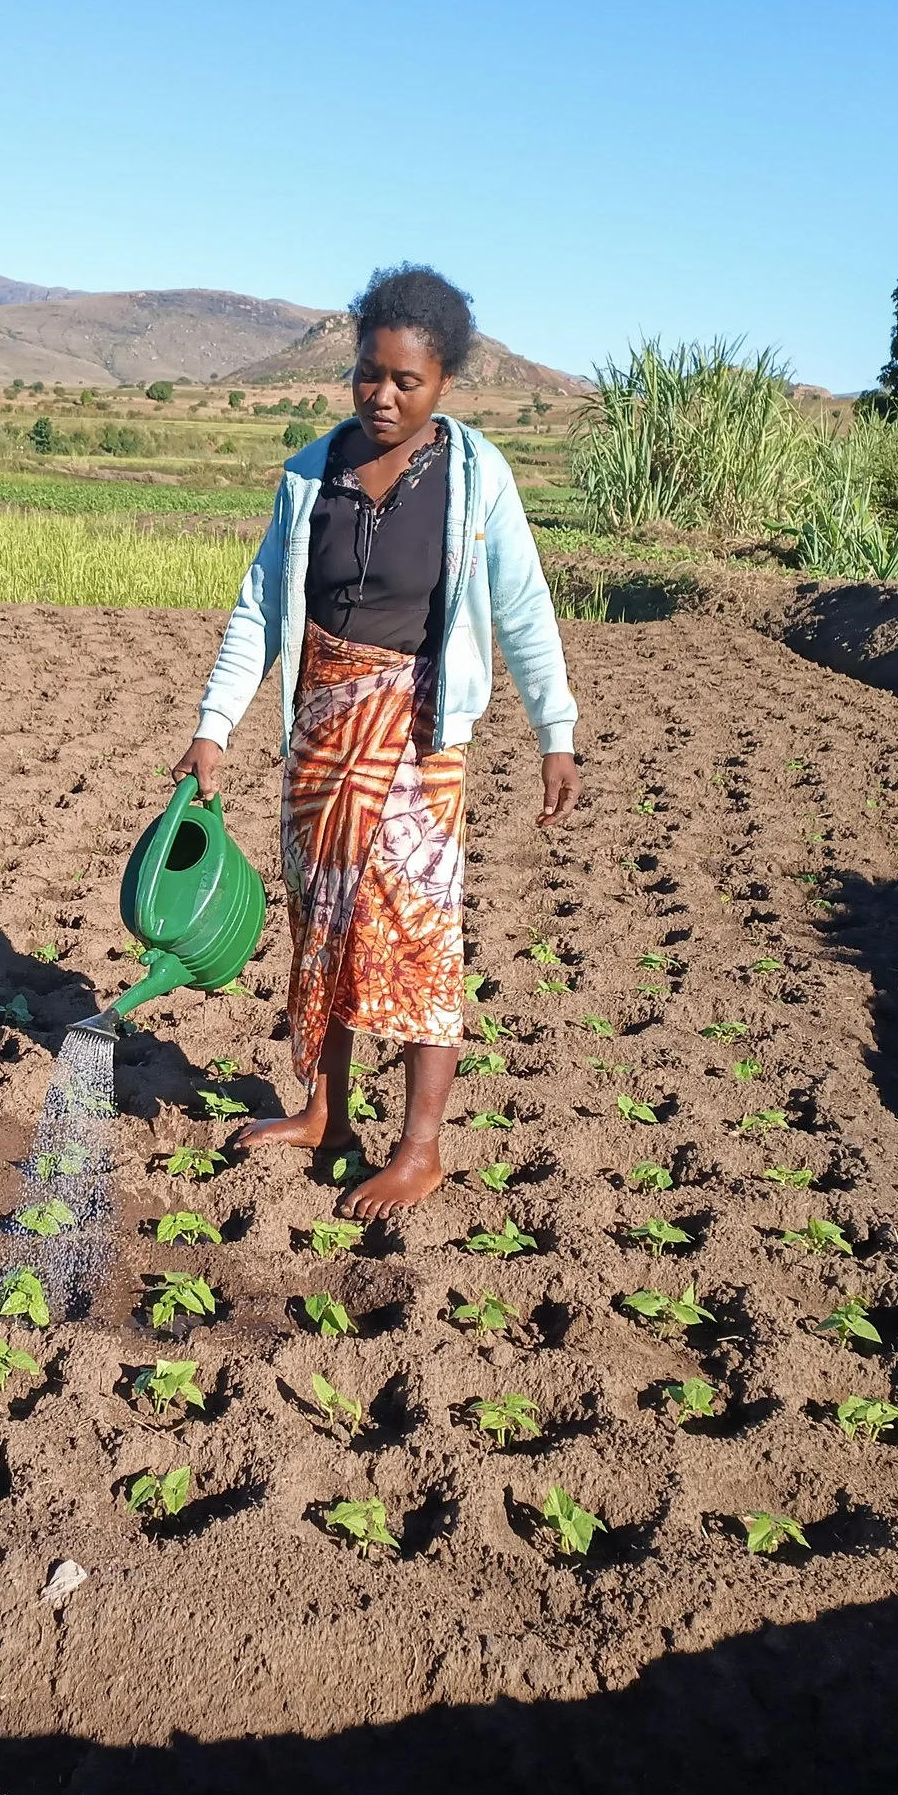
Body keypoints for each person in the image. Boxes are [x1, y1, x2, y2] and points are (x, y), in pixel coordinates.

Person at [172, 264, 578, 1219]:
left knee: (419, 936)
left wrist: (554, 730)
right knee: (328, 926)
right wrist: (213, 723)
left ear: (444, 384)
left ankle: (421, 1148)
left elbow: (522, 609)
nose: (384, 396)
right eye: (370, 374)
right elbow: (260, 609)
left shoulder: (478, 478)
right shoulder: (311, 473)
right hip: (321, 729)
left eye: (407, 381)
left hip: (419, 735)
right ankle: (328, 1114)